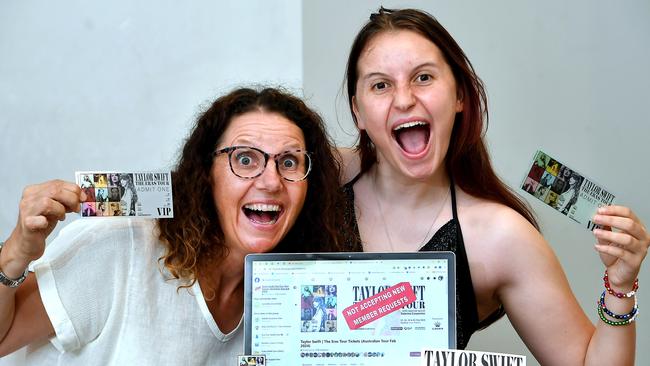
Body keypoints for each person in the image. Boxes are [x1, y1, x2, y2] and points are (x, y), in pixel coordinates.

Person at [338, 7, 649, 364]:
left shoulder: (500, 237)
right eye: (380, 85)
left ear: (459, 96)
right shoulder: (314, 179)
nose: (405, 98)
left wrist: (621, 286)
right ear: (358, 112)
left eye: (423, 78)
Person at [0, 87, 348, 364]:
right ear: (206, 175)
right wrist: (15, 254)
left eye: (289, 162)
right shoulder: (120, 248)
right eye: (245, 159)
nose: (271, 181)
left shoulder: (289, 303)